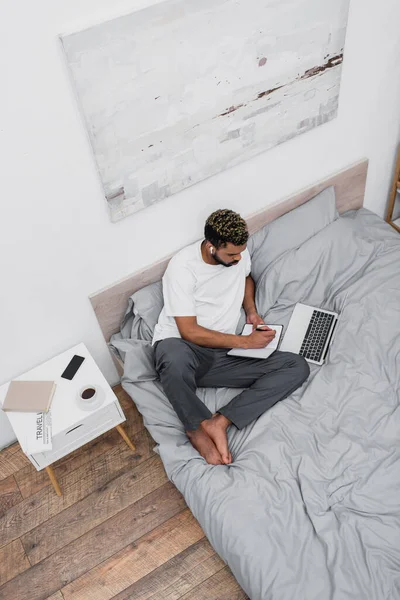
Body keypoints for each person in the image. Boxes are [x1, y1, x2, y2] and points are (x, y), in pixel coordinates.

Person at [152, 209, 309, 465]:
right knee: (173, 358)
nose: (238, 258)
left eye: (241, 252)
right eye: (232, 254)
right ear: (212, 247)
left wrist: (252, 313)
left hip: (222, 353)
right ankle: (195, 429)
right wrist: (246, 342)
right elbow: (188, 331)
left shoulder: (239, 254)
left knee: (296, 366)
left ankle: (220, 422)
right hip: (184, 347)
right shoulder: (182, 268)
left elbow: (246, 278)